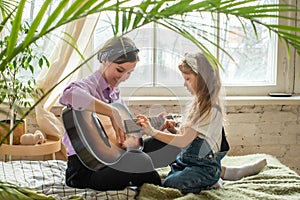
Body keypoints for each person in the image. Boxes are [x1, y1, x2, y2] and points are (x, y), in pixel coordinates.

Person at [137, 52, 267, 194]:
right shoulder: (199, 103)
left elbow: (183, 141)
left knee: (170, 183)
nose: (184, 84)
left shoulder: (209, 108)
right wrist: (174, 130)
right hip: (189, 162)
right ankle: (225, 173)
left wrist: (152, 132)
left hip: (203, 167)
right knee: (171, 177)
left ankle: (213, 179)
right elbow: (190, 137)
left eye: (188, 79)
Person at [59, 36, 161, 191]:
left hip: (113, 160)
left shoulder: (116, 95)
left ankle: (158, 183)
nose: (123, 78)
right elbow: (68, 95)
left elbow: (125, 137)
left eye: (129, 73)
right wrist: (111, 111)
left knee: (160, 144)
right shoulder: (88, 86)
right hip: (86, 171)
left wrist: (151, 128)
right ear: (105, 59)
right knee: (140, 160)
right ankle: (161, 189)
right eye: (120, 70)